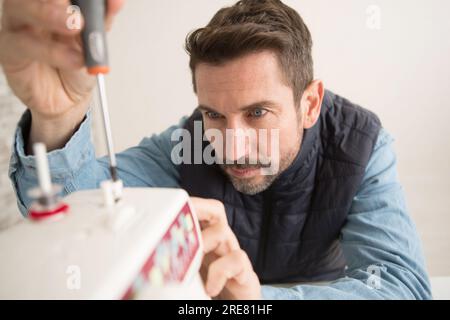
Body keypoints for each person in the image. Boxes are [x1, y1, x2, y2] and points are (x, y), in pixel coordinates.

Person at [1, 0, 431, 299]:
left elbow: (401, 287)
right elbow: (78, 206)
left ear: (310, 104)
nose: (234, 146)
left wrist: (254, 299)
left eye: (258, 112)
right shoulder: (187, 144)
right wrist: (58, 119)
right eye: (214, 115)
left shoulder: (361, 146)